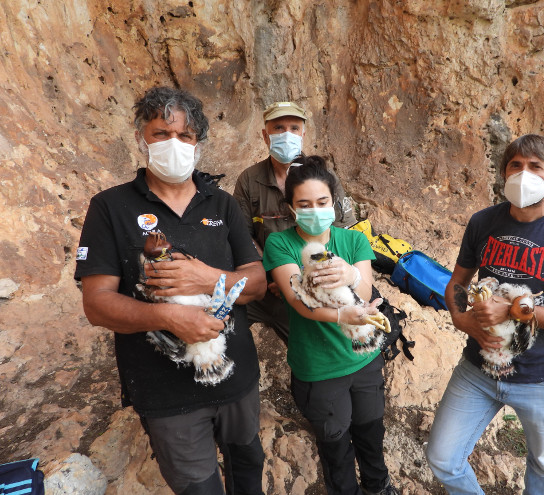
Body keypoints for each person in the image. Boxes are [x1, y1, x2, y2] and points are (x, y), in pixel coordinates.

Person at [74, 86, 267, 495]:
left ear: (198, 145)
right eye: (162, 134)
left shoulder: (222, 204)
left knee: (248, 471)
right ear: (142, 137)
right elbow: (97, 304)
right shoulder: (110, 208)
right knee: (199, 488)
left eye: (185, 136)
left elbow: (258, 281)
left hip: (239, 380)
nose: (174, 144)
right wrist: (167, 316)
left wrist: (208, 279)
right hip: (165, 393)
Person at [425, 134, 544, 494]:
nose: (523, 173)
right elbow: (457, 282)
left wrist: (513, 309)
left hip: (542, 378)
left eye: (535, 167)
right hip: (477, 370)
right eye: (516, 165)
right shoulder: (483, 222)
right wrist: (460, 319)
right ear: (503, 173)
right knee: (443, 459)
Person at [261, 155, 399, 495]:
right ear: (291, 207)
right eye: (304, 203)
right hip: (319, 368)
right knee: (335, 447)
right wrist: (341, 314)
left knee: (370, 432)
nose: (314, 210)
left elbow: (365, 289)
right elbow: (298, 300)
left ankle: (378, 487)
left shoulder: (352, 241)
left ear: (333, 202)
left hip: (364, 359)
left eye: (322, 202)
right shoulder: (281, 244)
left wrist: (351, 274)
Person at [233, 101, 356, 344]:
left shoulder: (324, 177)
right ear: (265, 135)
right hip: (267, 286)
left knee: (316, 343)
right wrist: (275, 275)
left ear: (303, 134)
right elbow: (242, 236)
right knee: (225, 326)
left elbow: (344, 229)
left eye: (294, 127)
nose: (286, 134)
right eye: (278, 128)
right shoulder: (249, 180)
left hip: (316, 281)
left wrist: (302, 278)